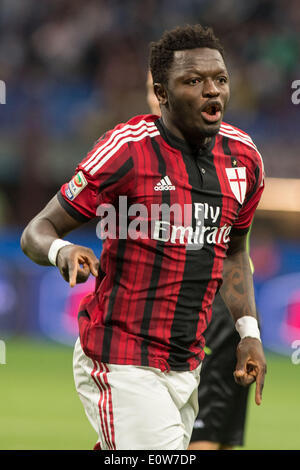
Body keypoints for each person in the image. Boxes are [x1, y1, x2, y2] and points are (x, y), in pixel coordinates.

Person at [21, 24, 266, 450]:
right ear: (161, 92)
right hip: (120, 357)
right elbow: (36, 231)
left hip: (187, 365)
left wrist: (249, 334)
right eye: (194, 81)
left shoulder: (244, 159)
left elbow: (233, 253)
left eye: (220, 80)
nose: (213, 92)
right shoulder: (127, 149)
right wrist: (63, 250)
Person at [147, 71, 253, 451]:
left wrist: (248, 330)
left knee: (211, 437)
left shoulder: (234, 156)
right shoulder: (143, 153)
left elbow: (236, 248)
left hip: (213, 317)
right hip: (166, 329)